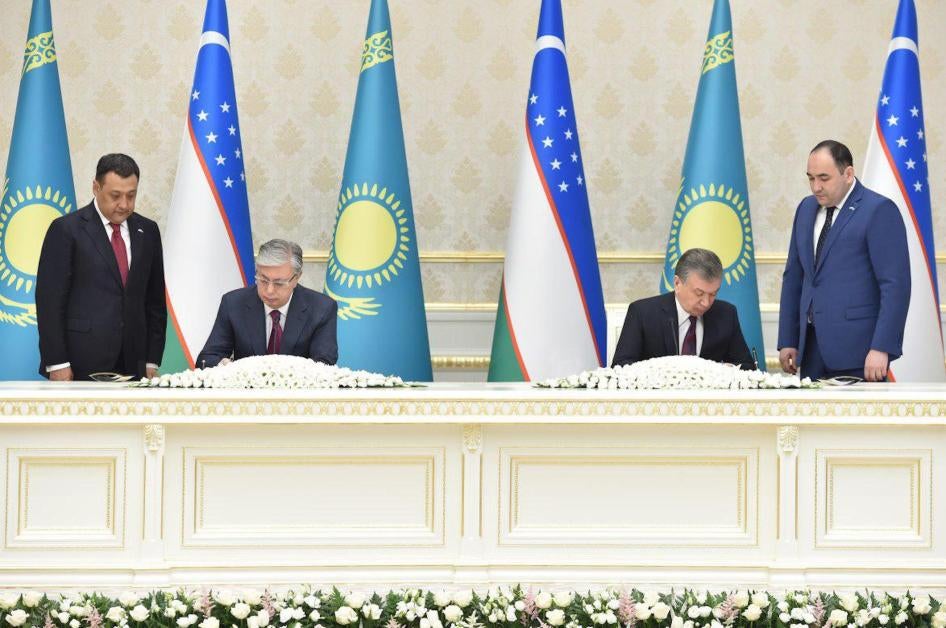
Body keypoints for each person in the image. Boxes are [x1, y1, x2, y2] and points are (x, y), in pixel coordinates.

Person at [777, 140, 910, 382]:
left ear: (848, 174)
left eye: (824, 178)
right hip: (811, 350)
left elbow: (895, 285)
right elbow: (794, 276)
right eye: (811, 178)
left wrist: (882, 347)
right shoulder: (805, 209)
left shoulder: (878, 210)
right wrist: (788, 338)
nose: (816, 187)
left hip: (860, 352)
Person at [36, 154, 166, 381]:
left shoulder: (148, 231)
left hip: (134, 362)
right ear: (96, 187)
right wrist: (57, 362)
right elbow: (50, 303)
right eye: (115, 196)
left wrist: (152, 359)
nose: (124, 204)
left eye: (131, 195)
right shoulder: (66, 230)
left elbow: (154, 301)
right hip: (80, 361)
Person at [196, 239, 338, 367]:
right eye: (263, 280)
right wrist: (230, 367)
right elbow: (207, 359)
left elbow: (324, 363)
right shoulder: (233, 303)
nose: (269, 290)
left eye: (279, 283)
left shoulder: (322, 308)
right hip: (246, 393)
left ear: (296, 278)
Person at [612, 248, 755, 370]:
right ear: (677, 283)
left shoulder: (726, 314)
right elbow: (621, 367)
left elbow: (747, 367)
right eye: (699, 293)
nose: (706, 303)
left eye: (713, 294)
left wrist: (725, 370)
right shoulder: (642, 313)